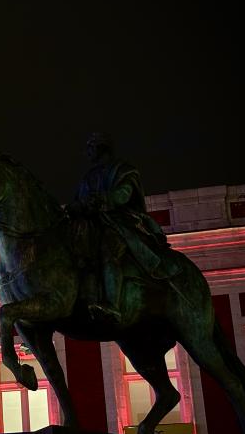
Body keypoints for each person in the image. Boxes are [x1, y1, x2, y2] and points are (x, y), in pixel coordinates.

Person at [67, 133, 179, 323]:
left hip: (120, 222)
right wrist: (76, 207)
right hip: (93, 225)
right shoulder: (88, 177)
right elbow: (78, 202)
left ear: (101, 148)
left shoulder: (123, 170)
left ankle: (112, 303)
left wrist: (103, 200)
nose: (88, 154)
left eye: (90, 148)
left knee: (109, 251)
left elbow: (124, 194)